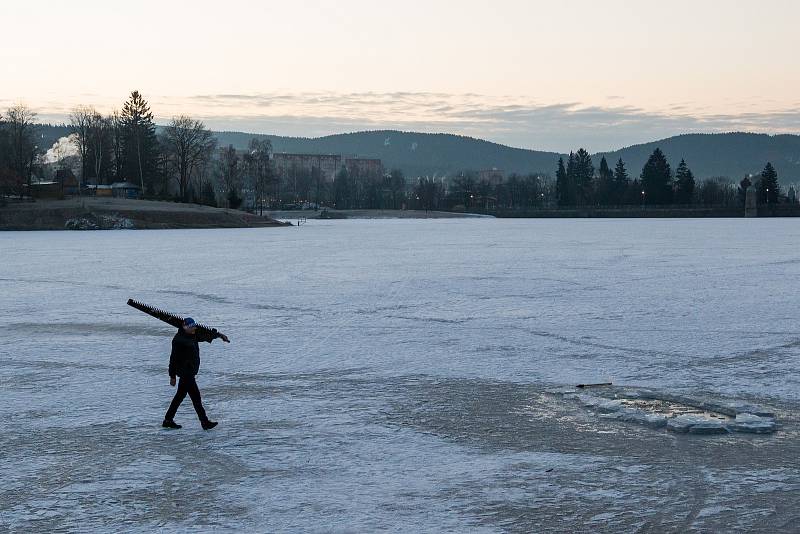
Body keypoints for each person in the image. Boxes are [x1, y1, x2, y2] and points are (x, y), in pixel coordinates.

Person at [162, 317, 229, 430]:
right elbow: (173, 359)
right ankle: (204, 422)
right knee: (196, 398)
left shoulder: (192, 335)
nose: (194, 328)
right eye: (191, 327)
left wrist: (219, 335)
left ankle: (168, 420)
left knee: (180, 396)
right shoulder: (178, 340)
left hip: (190, 371)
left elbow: (205, 335)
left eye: (194, 326)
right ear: (185, 327)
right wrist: (172, 376)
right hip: (185, 372)